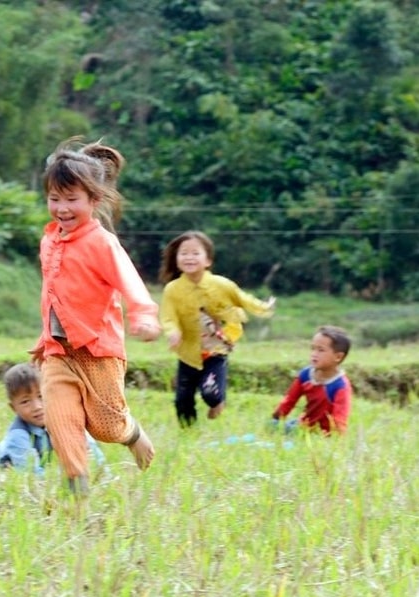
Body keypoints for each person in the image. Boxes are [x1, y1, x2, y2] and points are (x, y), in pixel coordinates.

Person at [31, 137, 159, 497]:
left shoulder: (101, 242)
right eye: (55, 198)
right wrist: (44, 338)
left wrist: (144, 314)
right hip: (60, 352)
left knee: (105, 426)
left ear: (94, 200)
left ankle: (132, 432)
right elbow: (52, 294)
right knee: (60, 421)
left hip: (98, 351)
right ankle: (77, 489)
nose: (62, 208)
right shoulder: (49, 240)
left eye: (72, 200)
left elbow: (128, 280)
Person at [159, 230, 275, 427]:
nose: (189, 257)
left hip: (216, 350)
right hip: (188, 353)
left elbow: (242, 299)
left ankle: (217, 402)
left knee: (210, 392)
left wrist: (263, 307)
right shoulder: (172, 290)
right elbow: (168, 317)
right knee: (182, 399)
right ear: (177, 259)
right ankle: (188, 434)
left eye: (195, 253)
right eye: (183, 253)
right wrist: (173, 332)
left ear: (208, 260)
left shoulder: (221, 284)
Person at [271, 325, 352, 435]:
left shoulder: (340, 385)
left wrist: (336, 438)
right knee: (272, 426)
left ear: (338, 357)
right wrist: (276, 417)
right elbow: (290, 400)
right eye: (313, 349)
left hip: (322, 432)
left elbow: (340, 417)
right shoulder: (306, 375)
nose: (314, 354)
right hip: (303, 425)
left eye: (321, 350)